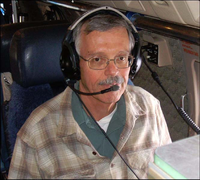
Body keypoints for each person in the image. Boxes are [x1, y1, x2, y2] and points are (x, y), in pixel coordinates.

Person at [8, 6, 171, 179]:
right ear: (74, 64)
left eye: (121, 58)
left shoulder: (150, 108)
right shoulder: (37, 133)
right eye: (98, 59)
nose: (113, 72)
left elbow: (167, 172)